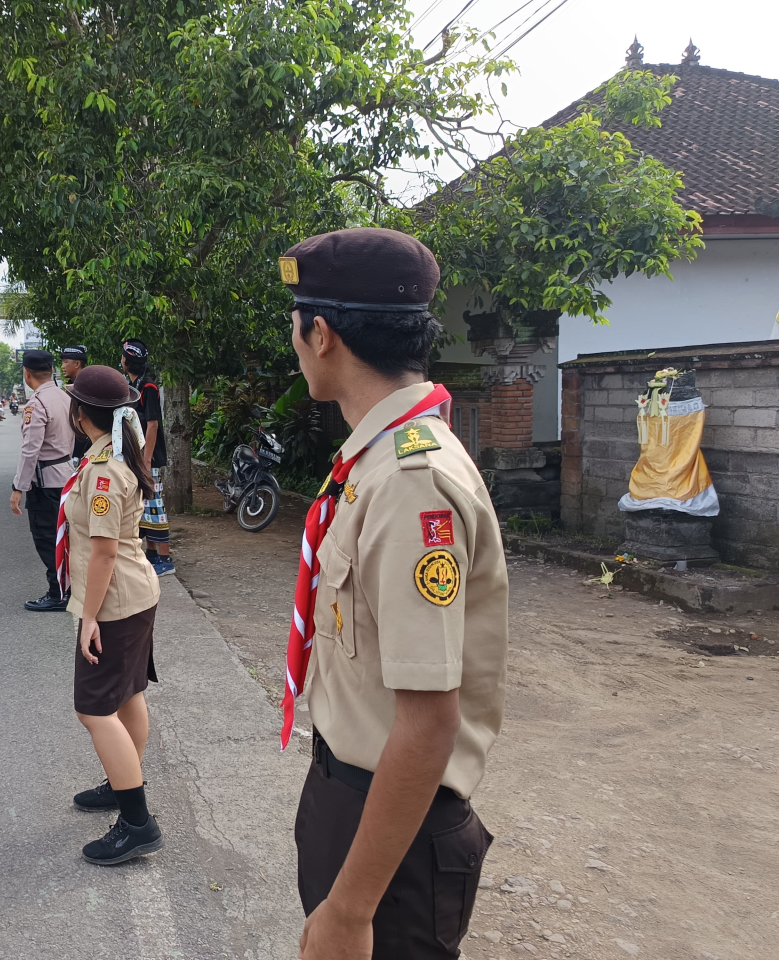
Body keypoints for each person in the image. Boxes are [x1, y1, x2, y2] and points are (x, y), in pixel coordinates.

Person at [276, 228, 509, 960]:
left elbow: (428, 721)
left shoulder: (412, 480)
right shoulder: (376, 456)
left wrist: (350, 909)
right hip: (355, 800)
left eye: (295, 322)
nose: (294, 339)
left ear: (323, 334)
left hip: (393, 844)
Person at [58, 364, 163, 864]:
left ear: (82, 415)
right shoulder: (116, 455)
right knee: (128, 696)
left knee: (94, 709)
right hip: (134, 594)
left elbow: (101, 553)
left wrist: (91, 618)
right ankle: (125, 779)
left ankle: (137, 823)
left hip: (115, 601)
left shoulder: (104, 473)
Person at [11, 350, 75, 612]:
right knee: (64, 537)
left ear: (27, 374)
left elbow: (30, 450)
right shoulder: (65, 396)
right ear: (51, 370)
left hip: (45, 482)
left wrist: (18, 487)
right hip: (66, 476)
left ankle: (58, 593)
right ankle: (69, 587)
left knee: (47, 537)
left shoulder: (36, 404)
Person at [120, 339, 173, 576]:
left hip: (147, 459)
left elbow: (152, 426)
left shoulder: (148, 388)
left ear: (126, 361)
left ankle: (166, 558)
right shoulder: (132, 386)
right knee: (143, 506)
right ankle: (151, 554)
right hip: (136, 457)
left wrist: (147, 459)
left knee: (154, 504)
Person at [60, 345, 91, 462]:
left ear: (77, 364)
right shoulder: (71, 385)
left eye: (65, 362)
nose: (62, 366)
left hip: (85, 443)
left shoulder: (85, 386)